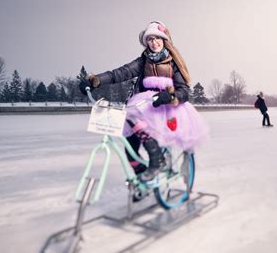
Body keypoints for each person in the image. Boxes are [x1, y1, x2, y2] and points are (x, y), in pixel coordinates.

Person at [80, 21, 209, 182]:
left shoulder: (173, 63)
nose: (154, 42)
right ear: (146, 42)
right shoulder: (143, 61)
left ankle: (157, 160)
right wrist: (95, 81)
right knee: (130, 145)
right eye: (150, 39)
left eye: (157, 38)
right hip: (144, 104)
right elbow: (120, 73)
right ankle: (142, 181)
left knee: (140, 125)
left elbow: (184, 90)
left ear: (164, 40)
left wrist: (170, 96)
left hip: (167, 106)